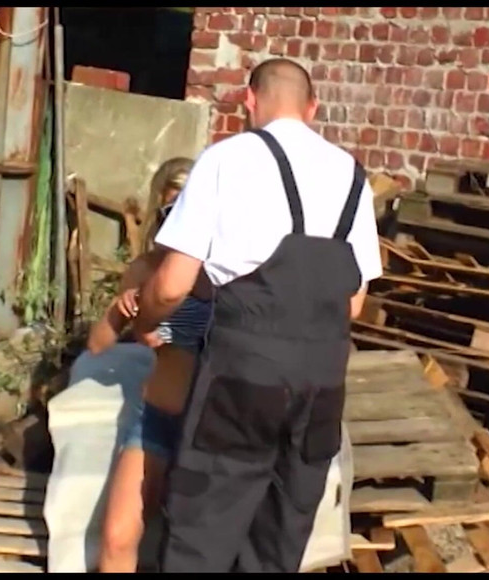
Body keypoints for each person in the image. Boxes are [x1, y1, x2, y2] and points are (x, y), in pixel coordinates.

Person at [127, 58, 384, 572]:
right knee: (278, 544)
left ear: (249, 100)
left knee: (201, 537)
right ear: (312, 108)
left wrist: (144, 320)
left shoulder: (227, 159)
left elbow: (173, 283)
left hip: (242, 379)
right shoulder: (352, 175)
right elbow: (353, 302)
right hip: (321, 387)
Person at [85, 157, 214, 573]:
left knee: (195, 550)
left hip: (212, 424)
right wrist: (121, 313)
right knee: (117, 538)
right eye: (171, 210)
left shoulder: (225, 270)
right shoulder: (147, 270)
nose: (181, 220)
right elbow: (97, 345)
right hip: (157, 415)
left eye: (189, 209)